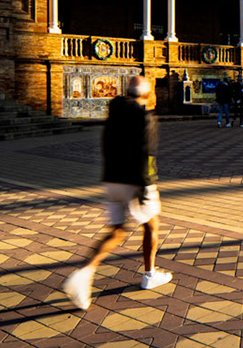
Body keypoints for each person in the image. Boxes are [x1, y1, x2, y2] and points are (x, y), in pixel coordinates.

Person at [63, 74, 171, 307]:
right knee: (152, 225)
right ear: (147, 94)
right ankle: (150, 274)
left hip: (112, 179)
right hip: (137, 181)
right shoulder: (145, 118)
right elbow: (146, 154)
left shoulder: (113, 115)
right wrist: (145, 186)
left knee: (117, 230)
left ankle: (85, 272)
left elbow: (105, 145)